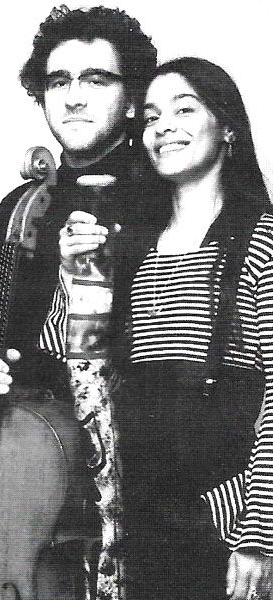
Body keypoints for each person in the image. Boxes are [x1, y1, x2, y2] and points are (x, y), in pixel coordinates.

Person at [61, 57, 273, 600]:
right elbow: (79, 366)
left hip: (225, 523)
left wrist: (259, 535)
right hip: (139, 522)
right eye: (151, 117)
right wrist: (74, 272)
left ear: (228, 128)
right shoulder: (132, 246)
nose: (163, 127)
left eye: (184, 110)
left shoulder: (261, 239)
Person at [0, 5, 156, 407]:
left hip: (134, 430)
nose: (73, 99)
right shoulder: (19, 205)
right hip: (30, 434)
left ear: (133, 101)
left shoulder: (163, 197)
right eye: (58, 82)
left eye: (96, 81)